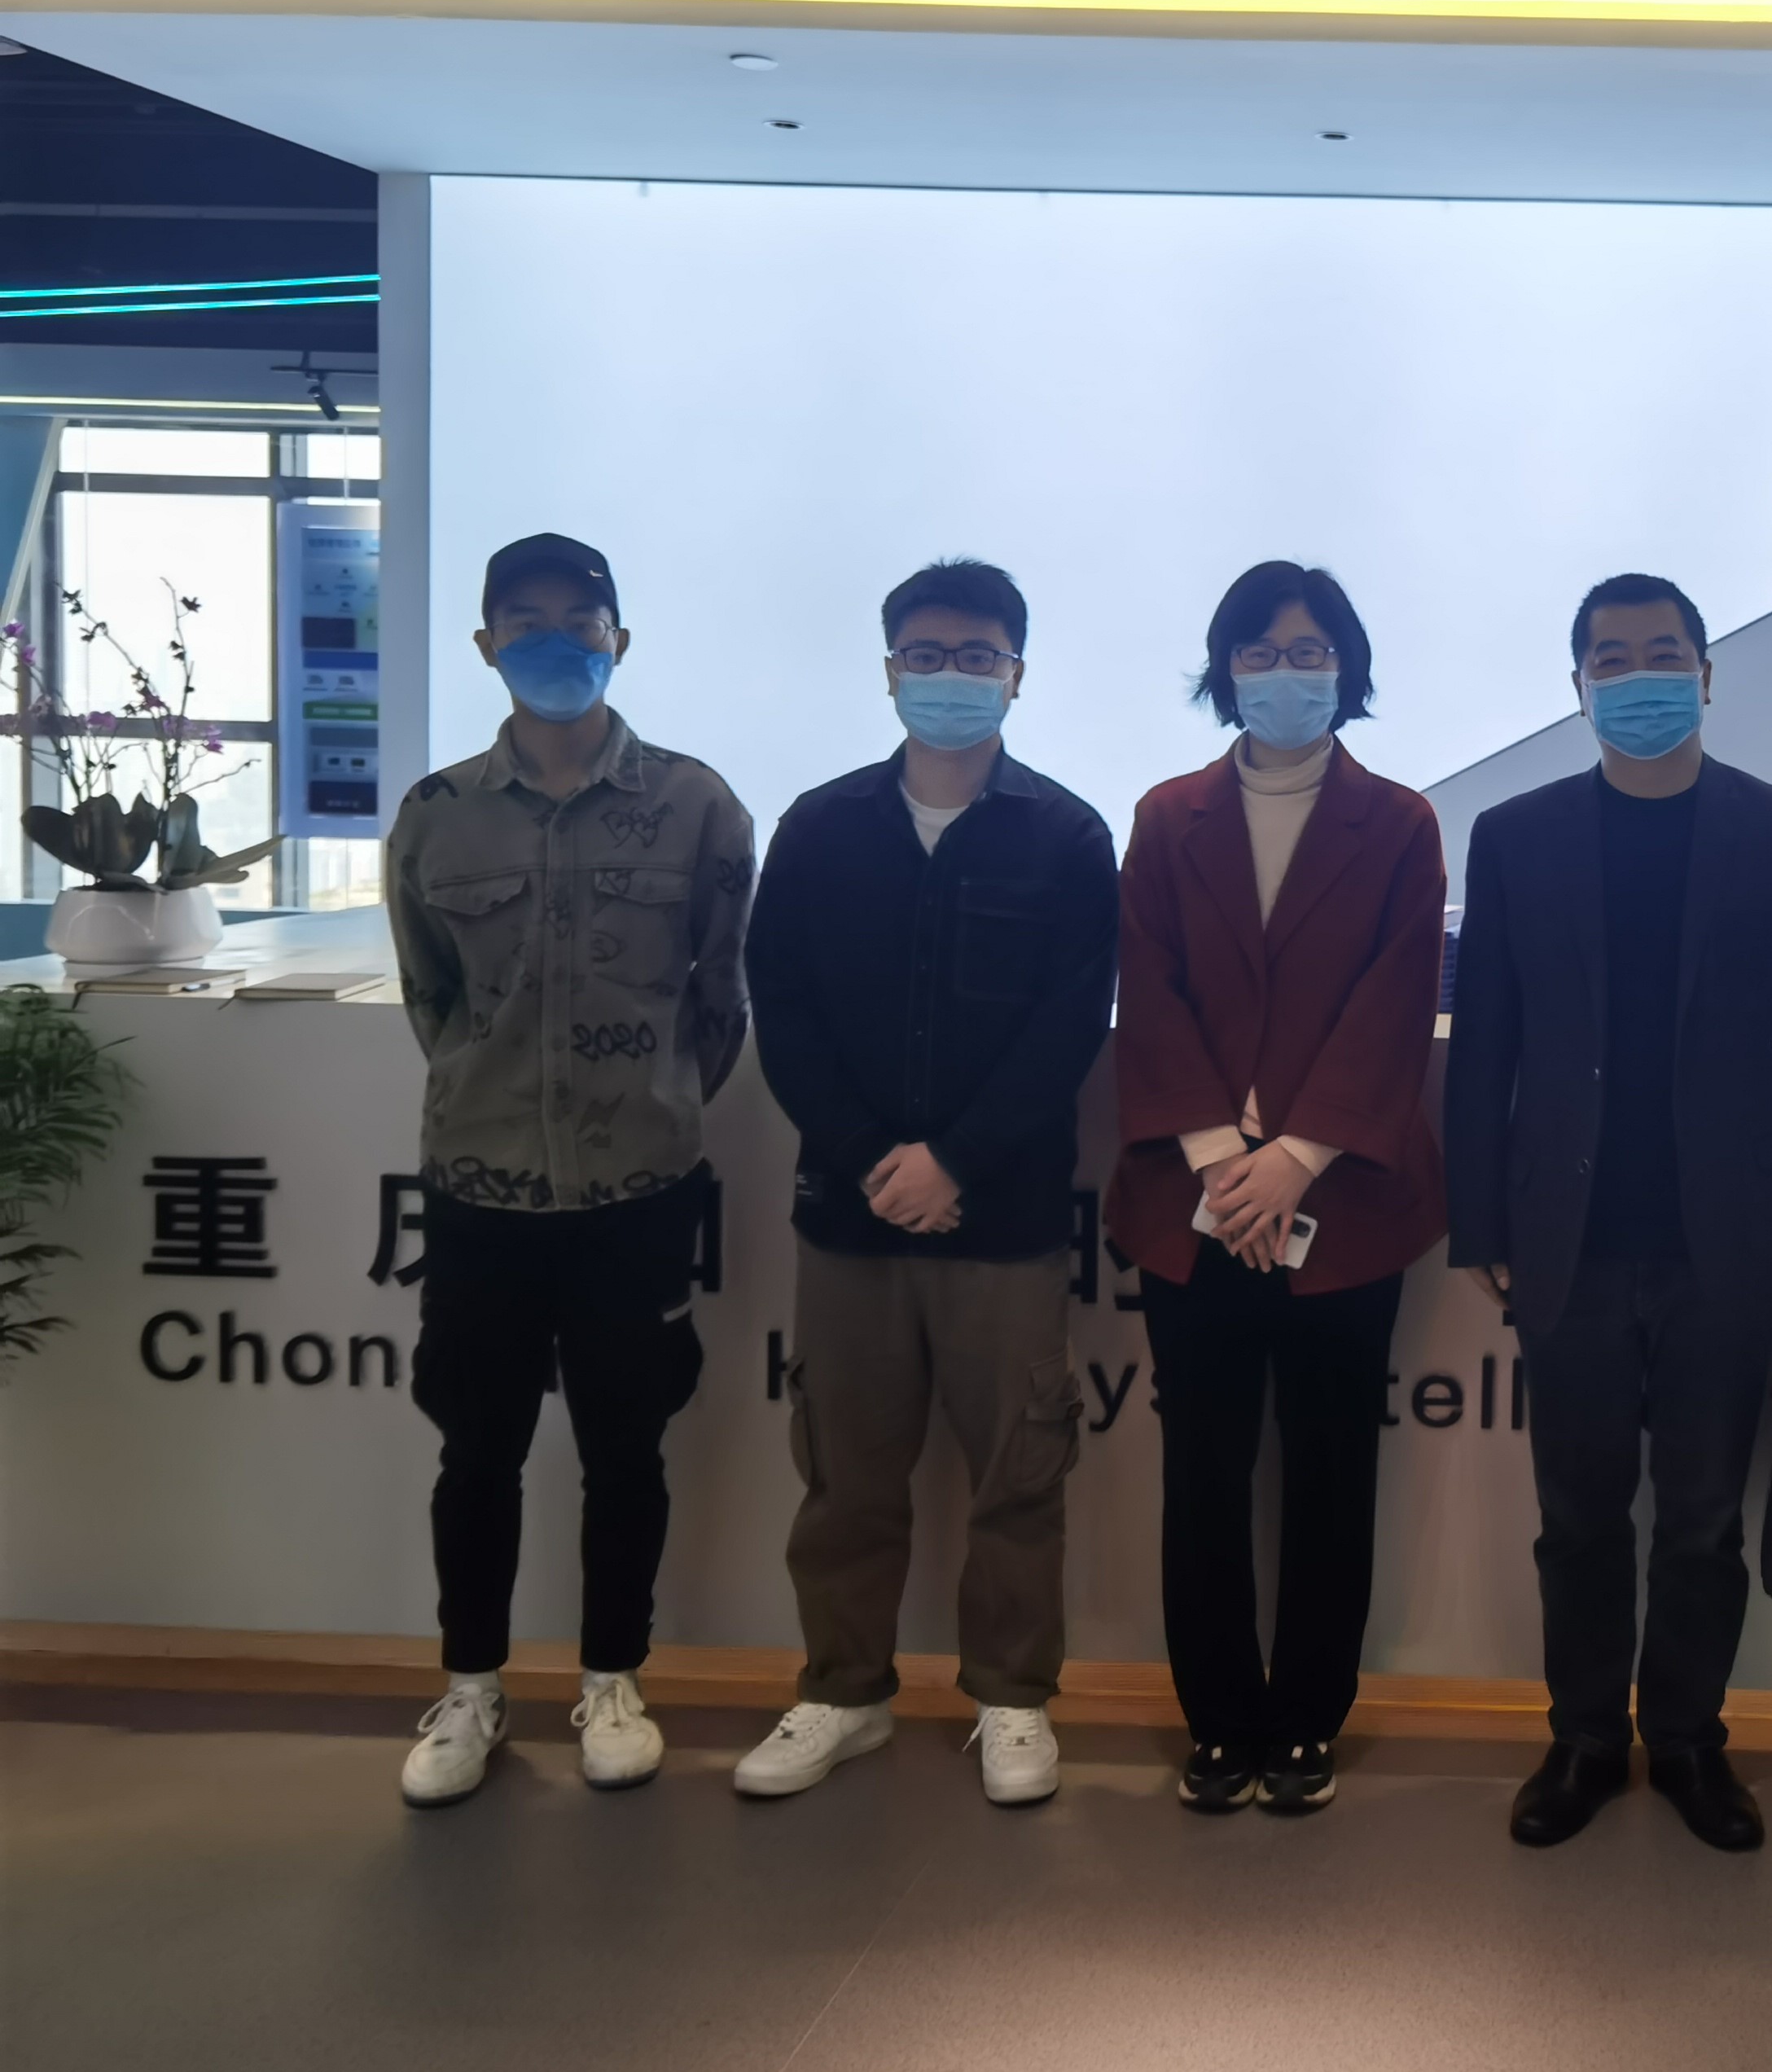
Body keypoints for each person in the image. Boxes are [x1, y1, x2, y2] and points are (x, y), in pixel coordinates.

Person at [1445, 572, 1772, 1853]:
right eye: (1611, 661)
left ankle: (1685, 1739)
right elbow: (1484, 1046)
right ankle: (1581, 1738)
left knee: (1703, 1520)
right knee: (1577, 1519)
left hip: (1727, 1233)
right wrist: (1478, 1224)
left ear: (1708, 675)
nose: (1639, 678)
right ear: (1578, 688)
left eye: (1663, 655)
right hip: (1566, 1238)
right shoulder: (1514, 836)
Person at [730, 559, 1118, 1810]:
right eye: (929, 655)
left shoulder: (1068, 836)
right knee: (844, 1477)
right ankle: (842, 1693)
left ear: (1017, 673)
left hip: (1003, 1222)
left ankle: (1012, 1699)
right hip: (849, 1220)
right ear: (891, 669)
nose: (953, 676)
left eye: (978, 656)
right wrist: (870, 1158)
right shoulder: (819, 827)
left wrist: (953, 1160)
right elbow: (783, 1008)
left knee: (1018, 1478)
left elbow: (1069, 1026)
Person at [385, 533, 756, 1807]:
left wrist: (646, 1107)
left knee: (626, 1450)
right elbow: (432, 997)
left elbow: (720, 998)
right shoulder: (438, 813)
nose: (554, 641)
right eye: (525, 621)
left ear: (619, 639)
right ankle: (471, 1688)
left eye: (579, 620)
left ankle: (613, 1680)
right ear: (486, 644)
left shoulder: (698, 805)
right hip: (480, 1192)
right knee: (475, 1452)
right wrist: (500, 1099)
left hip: (637, 1196)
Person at [1111, 562, 1447, 1817]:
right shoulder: (1165, 817)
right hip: (1191, 1199)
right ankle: (1219, 1723)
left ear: (1347, 671)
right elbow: (1149, 991)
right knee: (1202, 1474)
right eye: (1260, 651)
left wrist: (1294, 1158)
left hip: (1343, 1203)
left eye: (1312, 652)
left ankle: (1306, 1720)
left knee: (1329, 1471)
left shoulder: (1401, 823)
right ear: (1225, 670)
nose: (1286, 672)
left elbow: (1393, 1005)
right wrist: (1220, 1159)